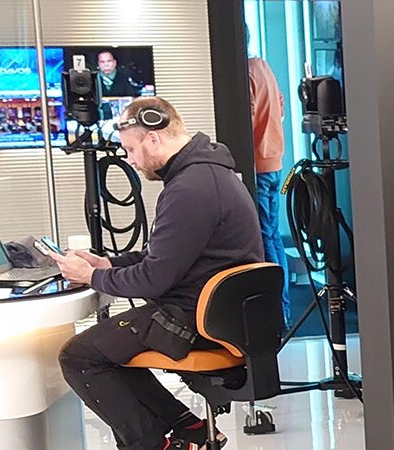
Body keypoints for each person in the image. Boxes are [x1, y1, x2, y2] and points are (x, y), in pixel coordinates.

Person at [48, 97, 263, 450]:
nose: (130, 160)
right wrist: (108, 265)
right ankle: (187, 426)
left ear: (153, 138)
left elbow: (153, 279)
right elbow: (167, 255)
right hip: (214, 314)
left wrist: (91, 278)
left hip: (191, 320)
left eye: (131, 149)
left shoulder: (189, 189)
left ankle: (152, 445)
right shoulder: (208, 173)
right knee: (107, 349)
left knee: (80, 357)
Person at [247, 56, 291, 325]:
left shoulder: (246, 73)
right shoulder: (264, 66)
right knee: (273, 237)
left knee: (265, 239)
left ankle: (278, 313)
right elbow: (281, 103)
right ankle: (283, 311)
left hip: (258, 163)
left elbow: (247, 118)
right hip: (274, 160)